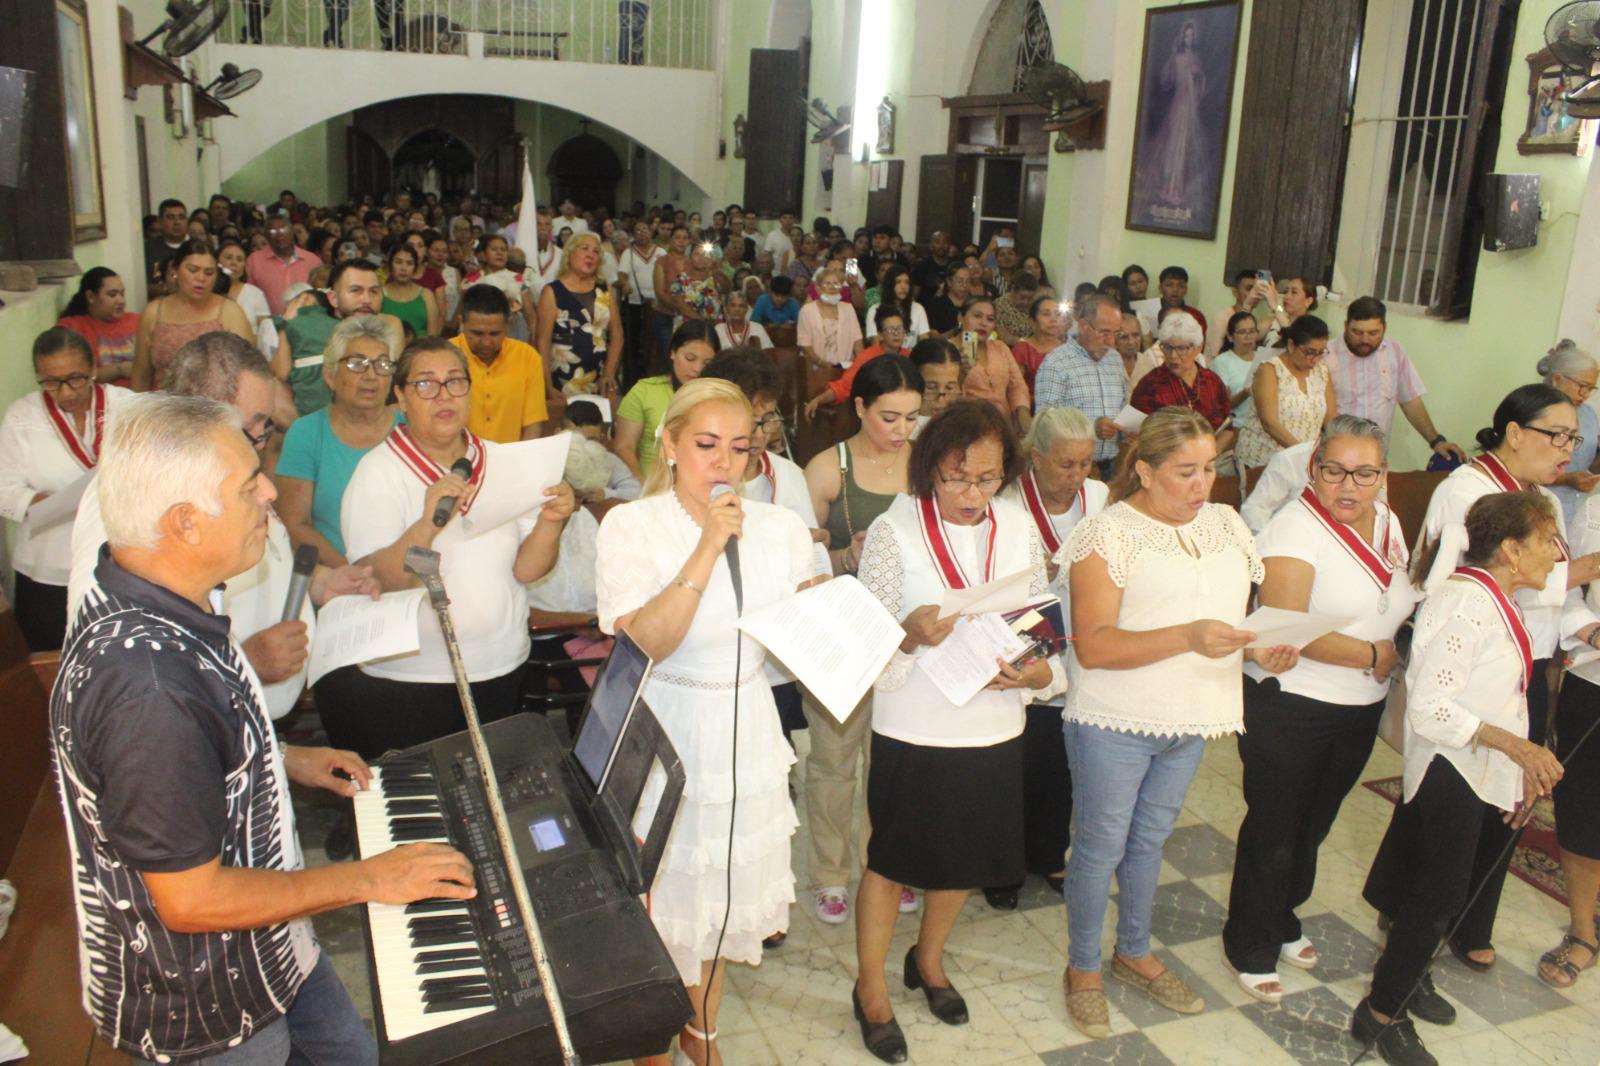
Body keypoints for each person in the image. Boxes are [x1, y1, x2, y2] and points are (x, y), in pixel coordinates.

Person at [51, 391, 474, 1065]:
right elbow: (191, 899)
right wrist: (368, 879)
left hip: (273, 952)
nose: (272, 494)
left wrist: (278, 759)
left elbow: (188, 755)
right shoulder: (146, 689)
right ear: (186, 523)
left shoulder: (163, 592)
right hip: (207, 1005)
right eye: (250, 487)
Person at [594, 378, 815, 1066]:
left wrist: (830, 621)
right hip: (667, 724)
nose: (724, 463)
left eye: (741, 447)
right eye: (706, 445)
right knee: (663, 899)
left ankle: (703, 1028)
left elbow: (797, 641)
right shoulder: (631, 526)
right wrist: (708, 546)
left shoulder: (779, 528)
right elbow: (648, 643)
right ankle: (650, 1041)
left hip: (747, 723)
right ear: (669, 443)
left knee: (723, 897)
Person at [1061, 408, 1297, 1039]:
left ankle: (1133, 950)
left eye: (1210, 470)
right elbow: (1096, 646)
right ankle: (1083, 967)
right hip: (1115, 718)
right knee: (1100, 846)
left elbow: (1226, 619)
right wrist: (1189, 636)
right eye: (1184, 472)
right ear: (1143, 470)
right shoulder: (1107, 534)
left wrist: (1258, 648)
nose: (1202, 486)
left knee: (1149, 842)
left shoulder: (1224, 525)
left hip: (1192, 714)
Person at [850, 401, 1062, 1062]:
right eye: (955, 479)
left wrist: (1034, 675)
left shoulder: (1023, 526)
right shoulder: (895, 530)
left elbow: (1042, 633)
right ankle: (870, 987)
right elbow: (866, 646)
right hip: (915, 724)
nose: (972, 496)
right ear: (928, 471)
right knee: (891, 861)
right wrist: (908, 639)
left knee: (963, 858)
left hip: (992, 725)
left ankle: (930, 961)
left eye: (987, 479)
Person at [1354, 491, 1575, 1066]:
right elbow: (1430, 708)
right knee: (1436, 896)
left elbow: (1503, 696)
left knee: (1440, 894)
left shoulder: (1498, 596)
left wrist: (1520, 768)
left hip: (1480, 768)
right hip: (1450, 767)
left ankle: (1406, 977)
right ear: (1510, 549)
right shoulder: (1464, 603)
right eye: (1548, 540)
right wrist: (1518, 748)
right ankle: (1381, 1013)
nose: (1557, 554)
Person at [70, 332, 377, 722]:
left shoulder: (220, 469)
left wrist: (319, 582)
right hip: (199, 723)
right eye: (255, 426)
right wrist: (245, 659)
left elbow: (266, 553)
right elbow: (113, 653)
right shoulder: (129, 491)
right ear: (204, 411)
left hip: (245, 721)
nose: (261, 443)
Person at [1222, 416, 1417, 1004]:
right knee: (1277, 826)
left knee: (1316, 821)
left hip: (1359, 702)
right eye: (1334, 471)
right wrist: (1373, 652)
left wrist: (1384, 655)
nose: (1348, 486)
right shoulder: (1294, 529)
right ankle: (1248, 942)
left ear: (1382, 475)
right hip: (1293, 704)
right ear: (1314, 469)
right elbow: (1285, 625)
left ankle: (1283, 916)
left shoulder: (1386, 520)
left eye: (1364, 473)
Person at [1413, 383, 1600, 966]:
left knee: (1510, 797)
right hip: (1470, 674)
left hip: (1532, 665)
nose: (1570, 447)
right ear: (1515, 433)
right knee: (1453, 802)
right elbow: (1448, 585)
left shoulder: (1537, 493)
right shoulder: (1465, 490)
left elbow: (1558, 587)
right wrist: (1582, 571)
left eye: (1576, 436)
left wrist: (1587, 627)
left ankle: (1471, 920)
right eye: (1559, 434)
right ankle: (1417, 918)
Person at [324, 338, 572, 757]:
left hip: (501, 662)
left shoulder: (499, 460)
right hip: (411, 678)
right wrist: (426, 523)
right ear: (400, 397)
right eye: (426, 384)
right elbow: (377, 580)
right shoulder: (378, 473)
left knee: (490, 801)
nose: (443, 396)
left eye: (455, 382)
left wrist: (552, 523)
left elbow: (527, 570)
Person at [801, 356, 924, 927]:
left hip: (903, 634)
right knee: (832, 760)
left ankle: (887, 863)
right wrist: (843, 556)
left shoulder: (924, 465)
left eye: (912, 418)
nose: (901, 432)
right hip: (841, 630)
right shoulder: (829, 468)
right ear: (859, 408)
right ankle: (829, 873)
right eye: (889, 417)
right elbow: (798, 563)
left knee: (892, 759)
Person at [988, 407, 1108, 908]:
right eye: (1065, 463)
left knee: (1062, 756)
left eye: (1085, 463)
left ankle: (1049, 851)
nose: (1077, 474)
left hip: (1080, 637)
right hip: (1022, 635)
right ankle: (1001, 865)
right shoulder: (1008, 502)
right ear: (1036, 458)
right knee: (1016, 758)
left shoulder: (1099, 498)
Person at [0, 329, 133, 649]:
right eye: (51, 382)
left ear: (93, 370)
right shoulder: (22, 417)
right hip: (46, 567)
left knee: (112, 656)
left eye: (75, 379)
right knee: (50, 659)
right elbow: (4, 488)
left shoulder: (127, 407)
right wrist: (47, 503)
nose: (65, 392)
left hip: (117, 563)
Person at [276, 316, 402, 567]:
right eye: (357, 364)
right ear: (330, 375)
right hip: (336, 579)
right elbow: (295, 524)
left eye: (382, 365)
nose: (371, 375)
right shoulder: (307, 433)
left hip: (404, 578)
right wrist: (353, 574)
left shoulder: (410, 429)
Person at [1546, 485, 1600, 990]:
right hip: (1596, 680)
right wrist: (1594, 633)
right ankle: (1583, 931)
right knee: (1584, 809)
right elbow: (1562, 590)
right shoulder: (1595, 506)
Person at [1325, 297, 1466, 462]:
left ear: (1384, 328)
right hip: (1335, 456)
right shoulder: (1325, 355)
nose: (1365, 340)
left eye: (1373, 333)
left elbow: (1411, 401)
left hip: (1376, 458)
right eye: (1357, 332)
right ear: (1345, 325)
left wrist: (1436, 441)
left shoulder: (1394, 351)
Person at [132, 241, 255, 392]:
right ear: (175, 271)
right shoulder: (154, 312)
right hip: (165, 408)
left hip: (218, 408)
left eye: (209, 273)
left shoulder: (230, 312)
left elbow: (250, 372)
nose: (201, 278)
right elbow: (141, 376)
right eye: (193, 270)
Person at [1034, 294, 1127, 478]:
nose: (1111, 342)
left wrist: (1126, 430)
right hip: (1072, 469)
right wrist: (1092, 428)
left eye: (1116, 334)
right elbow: (1044, 424)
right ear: (1084, 327)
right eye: (1105, 333)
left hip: (1112, 465)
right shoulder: (1056, 363)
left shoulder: (1115, 359)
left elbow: (1122, 405)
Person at [279, 259, 386, 415]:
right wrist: (286, 326)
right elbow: (280, 377)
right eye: (356, 290)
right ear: (333, 298)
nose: (366, 300)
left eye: (373, 292)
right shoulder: (306, 330)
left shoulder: (388, 332)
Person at [448, 283, 550, 443]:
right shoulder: (445, 355)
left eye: (495, 334)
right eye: (477, 333)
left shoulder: (527, 357)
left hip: (511, 460)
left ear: (508, 324)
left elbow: (533, 425)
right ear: (462, 322)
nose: (486, 342)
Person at [616, 320, 716, 479]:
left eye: (707, 363)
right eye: (690, 358)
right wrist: (644, 487)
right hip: (650, 487)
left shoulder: (717, 399)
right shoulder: (644, 391)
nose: (697, 368)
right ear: (673, 352)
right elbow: (624, 447)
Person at [1234, 316, 1337, 470]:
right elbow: (1270, 423)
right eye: (1310, 352)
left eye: (1321, 352)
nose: (1315, 359)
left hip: (1303, 462)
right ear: (1291, 345)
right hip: (1263, 462)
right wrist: (1305, 455)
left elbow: (1331, 418)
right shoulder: (1269, 370)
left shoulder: (1321, 371)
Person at [536, 232, 621, 399]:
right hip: (562, 378)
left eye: (596, 251)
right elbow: (542, 341)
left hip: (598, 376)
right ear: (570, 254)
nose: (591, 255)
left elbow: (617, 335)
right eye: (585, 249)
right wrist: (546, 385)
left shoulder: (605, 290)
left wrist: (609, 374)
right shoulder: (552, 292)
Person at [1130, 312, 1233, 446]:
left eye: (1181, 348)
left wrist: (1212, 455)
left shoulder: (1212, 381)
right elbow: (1137, 436)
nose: (1173, 356)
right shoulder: (1150, 385)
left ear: (1198, 347)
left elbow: (1228, 427)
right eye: (1167, 347)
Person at [805, 306, 910, 419]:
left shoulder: (910, 357)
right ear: (880, 335)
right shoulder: (867, 357)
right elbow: (845, 386)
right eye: (890, 329)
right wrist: (818, 400)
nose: (896, 333)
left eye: (899, 328)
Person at [1538, 340, 1600, 529]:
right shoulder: (1535, 411)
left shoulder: (1589, 414)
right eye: (1582, 386)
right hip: (1539, 507)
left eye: (1591, 388)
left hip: (1580, 509)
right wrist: (1567, 479)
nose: (1586, 394)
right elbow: (1518, 468)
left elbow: (1591, 466)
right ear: (1557, 379)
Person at [954, 296, 1031, 436]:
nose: (983, 323)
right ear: (961, 317)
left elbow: (1017, 385)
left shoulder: (1000, 347)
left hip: (1005, 427)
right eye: (977, 316)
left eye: (990, 319)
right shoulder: (948, 349)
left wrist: (1023, 416)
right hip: (968, 428)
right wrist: (961, 374)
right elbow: (947, 397)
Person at [57, 267, 140, 386]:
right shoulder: (72, 327)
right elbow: (74, 376)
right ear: (91, 296)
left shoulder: (137, 321)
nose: (120, 301)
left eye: (122, 294)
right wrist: (119, 370)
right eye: (112, 295)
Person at [247, 212, 323, 316]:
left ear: (292, 231)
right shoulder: (254, 260)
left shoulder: (313, 260)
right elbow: (249, 296)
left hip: (306, 324)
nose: (279, 234)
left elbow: (321, 296)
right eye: (273, 231)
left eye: (284, 229)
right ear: (266, 235)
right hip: (268, 325)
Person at [618, 219, 665, 380]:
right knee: (633, 343)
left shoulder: (660, 252)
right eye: (637, 230)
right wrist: (625, 285)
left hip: (657, 304)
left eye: (644, 229)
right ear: (633, 235)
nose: (642, 233)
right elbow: (622, 275)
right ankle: (632, 378)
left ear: (651, 232)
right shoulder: (628, 253)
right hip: (634, 304)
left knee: (654, 342)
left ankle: (652, 373)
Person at [1211, 310, 1269, 431]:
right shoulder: (1222, 361)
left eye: (1252, 331)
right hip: (1237, 426)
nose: (1248, 337)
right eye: (1242, 332)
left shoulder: (1264, 358)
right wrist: (1246, 393)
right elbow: (1223, 405)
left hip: (1263, 425)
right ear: (1230, 337)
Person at [798, 267, 864, 369]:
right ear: (818, 288)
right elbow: (804, 344)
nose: (832, 287)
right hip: (816, 368)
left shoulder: (848, 308)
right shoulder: (807, 311)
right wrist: (822, 363)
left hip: (845, 367)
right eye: (827, 283)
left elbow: (857, 339)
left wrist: (860, 364)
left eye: (836, 284)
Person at [380, 242, 441, 337]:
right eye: (398, 262)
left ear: (415, 268)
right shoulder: (380, 294)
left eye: (409, 263)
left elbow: (433, 335)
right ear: (390, 265)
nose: (403, 268)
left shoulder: (426, 295)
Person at [217, 239, 273, 341]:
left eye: (239, 259)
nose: (234, 263)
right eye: (228, 258)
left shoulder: (255, 294)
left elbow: (267, 335)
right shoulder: (207, 291)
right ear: (217, 262)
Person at [1011, 294, 1067, 395]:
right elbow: (1016, 390)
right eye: (1046, 314)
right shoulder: (1022, 350)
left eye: (1058, 314)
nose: (1053, 319)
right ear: (1032, 322)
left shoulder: (1069, 348)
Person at [1204, 268, 1266, 357]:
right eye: (1249, 289)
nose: (1254, 294)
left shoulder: (1252, 319)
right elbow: (1218, 356)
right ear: (1235, 292)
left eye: (1257, 290)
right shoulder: (1222, 319)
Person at [865, 264, 930, 342]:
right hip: (886, 354)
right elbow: (876, 345)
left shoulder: (918, 309)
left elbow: (924, 340)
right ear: (889, 285)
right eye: (898, 282)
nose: (903, 287)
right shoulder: (874, 310)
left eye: (907, 282)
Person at [143, 198, 189, 295]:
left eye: (181, 217)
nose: (177, 222)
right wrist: (166, 289)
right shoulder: (148, 249)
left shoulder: (198, 247)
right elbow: (140, 285)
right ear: (160, 222)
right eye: (171, 217)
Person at [1155, 265, 1207, 336]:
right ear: (1160, 288)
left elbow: (1200, 345)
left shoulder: (1196, 316)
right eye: (1169, 285)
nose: (1175, 290)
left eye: (1180, 285)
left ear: (1186, 289)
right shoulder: (1150, 312)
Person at [993, 271, 1040, 348]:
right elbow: (1004, 337)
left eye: (1030, 298)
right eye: (1022, 297)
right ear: (1013, 290)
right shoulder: (1000, 306)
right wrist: (1029, 344)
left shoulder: (1034, 306)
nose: (1026, 302)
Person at [925, 263, 973, 336]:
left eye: (968, 281)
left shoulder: (975, 304)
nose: (964, 285)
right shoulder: (936, 305)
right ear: (949, 282)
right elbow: (932, 338)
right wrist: (957, 330)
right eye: (960, 281)